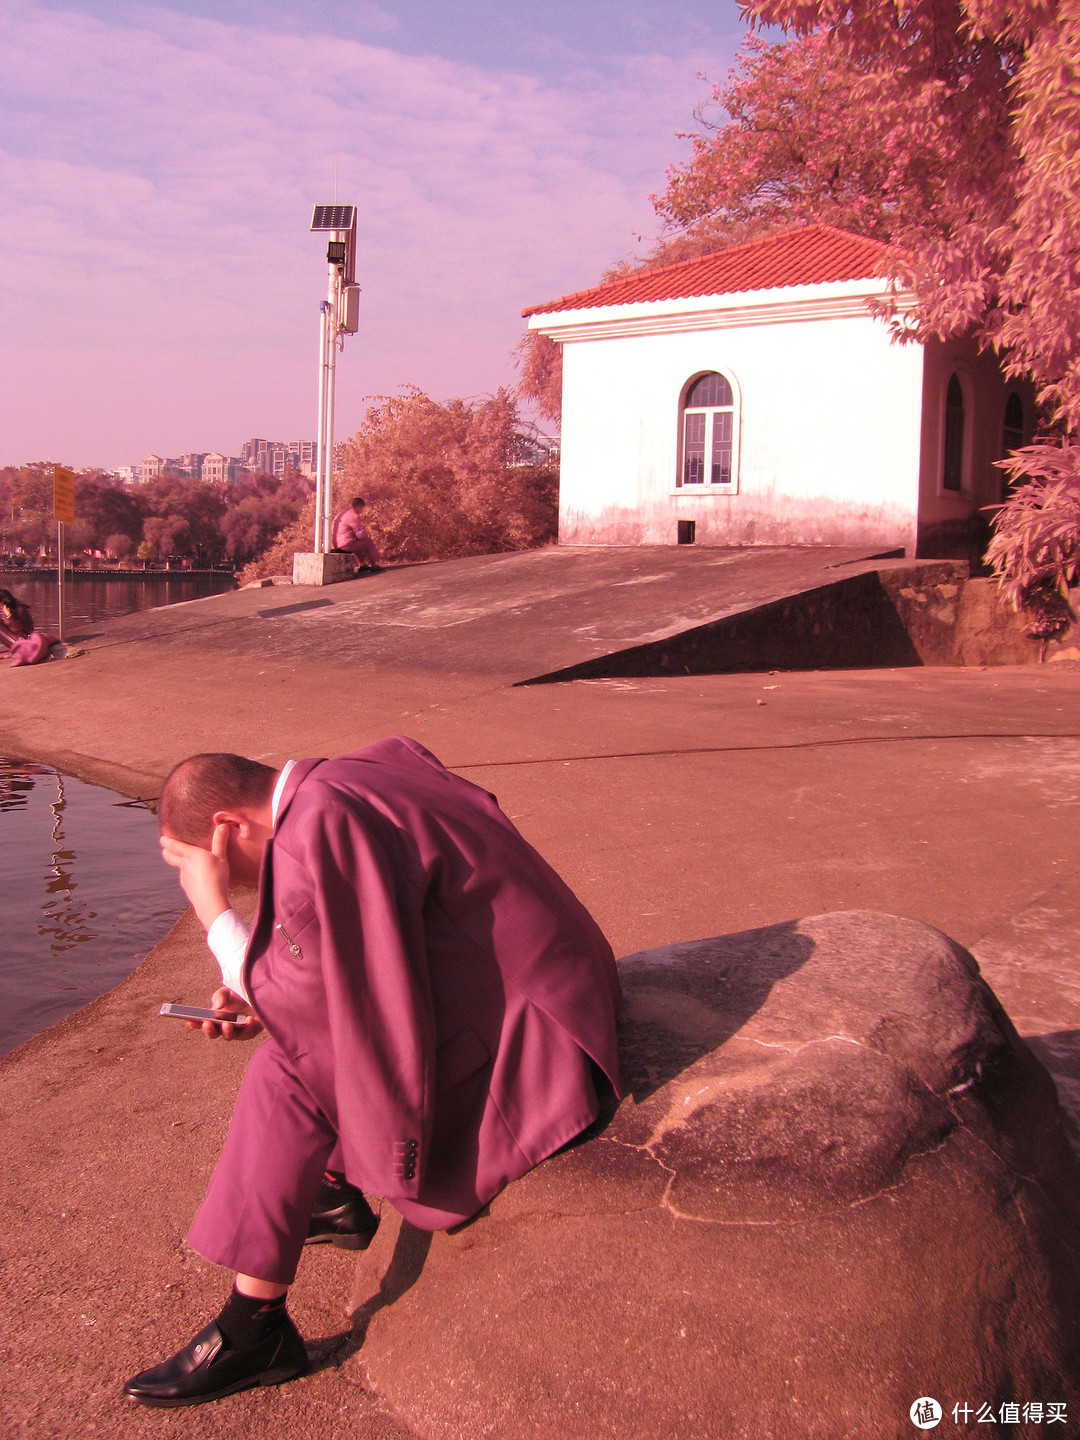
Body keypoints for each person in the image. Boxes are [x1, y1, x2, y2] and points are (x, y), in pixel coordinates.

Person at [124, 735, 621, 1408]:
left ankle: (254, 1329)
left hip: (542, 1043)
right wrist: (259, 992)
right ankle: (330, 1191)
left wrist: (216, 914)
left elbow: (323, 1007)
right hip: (563, 986)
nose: (254, 885)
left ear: (226, 828)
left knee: (287, 1074)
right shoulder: (358, 772)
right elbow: (350, 954)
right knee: (303, 1043)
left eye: (235, 870)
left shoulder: (320, 825)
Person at [0, 588, 52, 666]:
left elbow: (19, 628)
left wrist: (9, 616)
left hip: (22, 640)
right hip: (18, 637)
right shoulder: (12, 609)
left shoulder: (20, 609)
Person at [330, 495, 380, 570]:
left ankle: (362, 564)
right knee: (367, 541)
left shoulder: (344, 512)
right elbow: (359, 534)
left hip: (334, 545)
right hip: (344, 546)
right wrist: (366, 534)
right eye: (362, 508)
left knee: (356, 543)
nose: (361, 511)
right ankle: (374, 564)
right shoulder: (353, 516)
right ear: (359, 506)